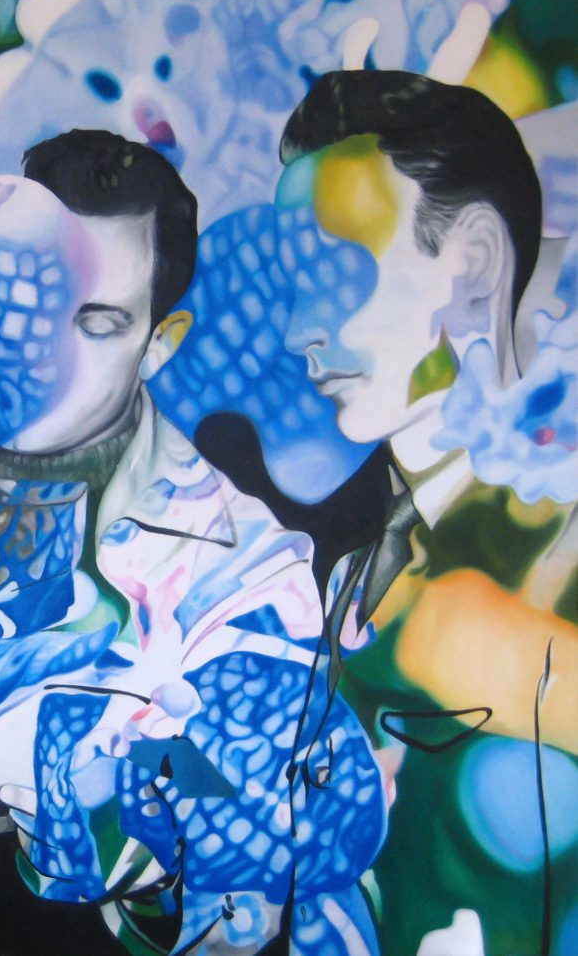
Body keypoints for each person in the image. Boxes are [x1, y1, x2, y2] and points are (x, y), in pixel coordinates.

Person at [0, 130, 388, 954]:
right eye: (30, 302)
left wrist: (103, 788)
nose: (45, 356)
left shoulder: (243, 569)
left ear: (159, 344)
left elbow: (258, 826)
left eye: (96, 324)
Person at [279, 69, 577, 955]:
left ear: (476, 259)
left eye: (340, 273)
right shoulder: (314, 489)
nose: (299, 327)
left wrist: (459, 637)